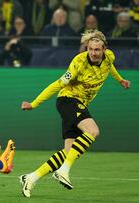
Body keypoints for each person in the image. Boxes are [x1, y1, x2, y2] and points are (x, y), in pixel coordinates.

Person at [19, 30, 131, 198]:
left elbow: (109, 66)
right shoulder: (78, 63)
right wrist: (34, 103)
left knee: (68, 152)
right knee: (93, 131)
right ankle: (63, 171)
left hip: (79, 104)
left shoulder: (109, 57)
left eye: (97, 50)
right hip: (68, 101)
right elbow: (57, 84)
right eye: (90, 49)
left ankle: (30, 178)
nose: (93, 53)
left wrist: (120, 80)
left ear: (104, 50)